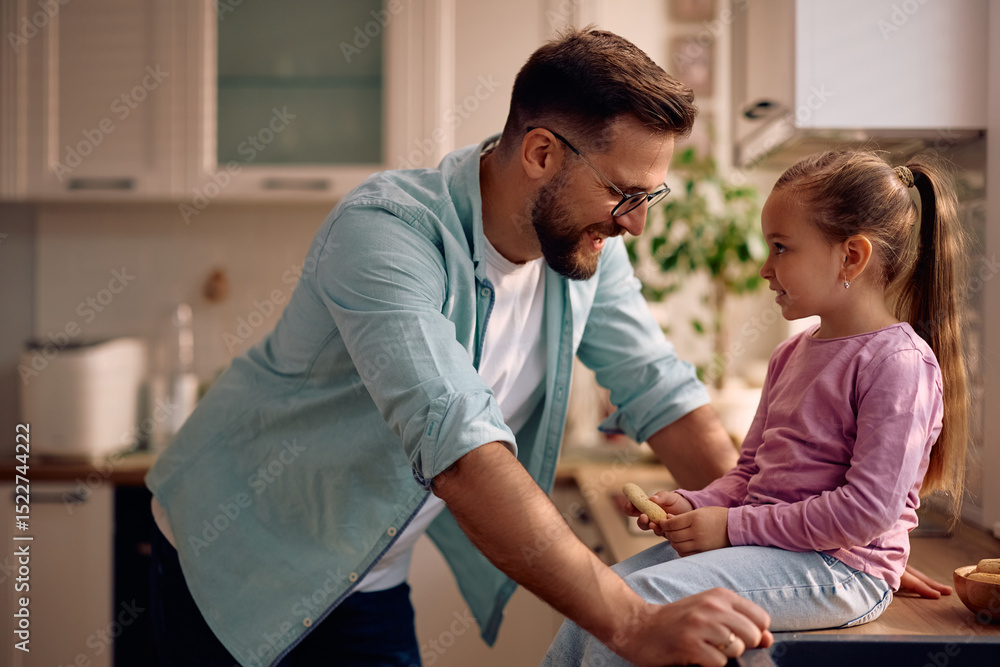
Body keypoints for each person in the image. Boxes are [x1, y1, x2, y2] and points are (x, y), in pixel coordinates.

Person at [147, 28, 774, 667]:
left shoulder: (583, 248)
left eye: (649, 196)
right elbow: (461, 450)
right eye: (622, 193)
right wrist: (635, 622)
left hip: (367, 570)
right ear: (540, 154)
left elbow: (660, 390)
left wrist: (770, 541)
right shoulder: (386, 232)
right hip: (234, 555)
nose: (636, 222)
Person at [543, 148, 969, 666]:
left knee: (648, 604)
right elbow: (749, 474)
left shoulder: (898, 364)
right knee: (599, 596)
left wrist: (731, 527)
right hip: (778, 552)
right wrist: (699, 503)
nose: (765, 268)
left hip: (841, 573)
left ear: (851, 257)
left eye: (781, 248)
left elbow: (865, 513)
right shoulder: (792, 353)